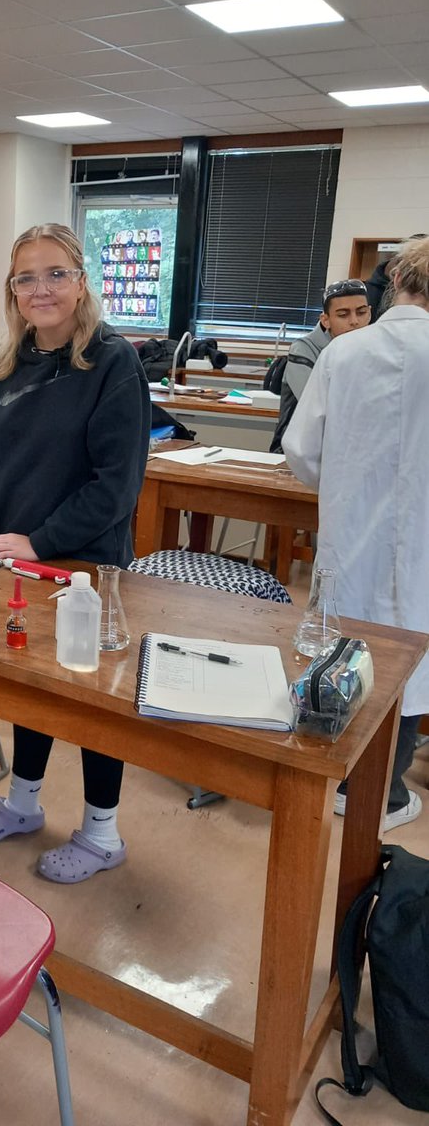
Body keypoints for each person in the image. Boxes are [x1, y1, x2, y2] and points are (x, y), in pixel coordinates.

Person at [0, 223, 151, 883]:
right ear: (11, 291)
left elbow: (115, 486)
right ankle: (23, 803)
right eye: (26, 277)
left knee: (90, 697)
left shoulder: (112, 363)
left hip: (86, 564)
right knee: (29, 685)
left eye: (55, 273)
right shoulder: (2, 365)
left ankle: (102, 833)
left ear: (81, 281)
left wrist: (41, 539)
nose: (42, 289)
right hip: (13, 560)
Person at [284, 235, 429, 832]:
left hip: (351, 533)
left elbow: (302, 450)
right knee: (413, 659)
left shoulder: (343, 354)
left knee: (347, 647)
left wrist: (346, 482)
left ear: (396, 283)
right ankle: (387, 794)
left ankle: (341, 776)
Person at [270, 278, 371, 452]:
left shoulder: (375, 350)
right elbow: (321, 410)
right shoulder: (304, 349)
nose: (354, 321)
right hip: (299, 453)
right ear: (325, 320)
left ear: (370, 313)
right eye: (343, 315)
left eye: (361, 312)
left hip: (352, 451)